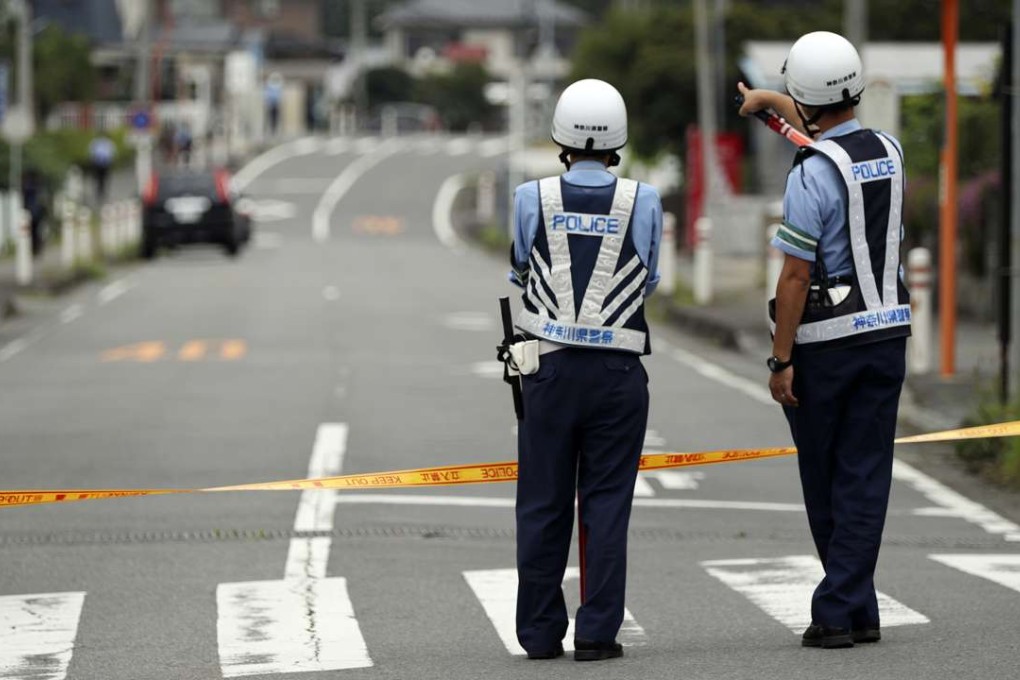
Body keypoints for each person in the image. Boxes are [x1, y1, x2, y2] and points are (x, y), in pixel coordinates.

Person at [738, 31, 911, 649]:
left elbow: (795, 274)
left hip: (826, 343)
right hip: (888, 335)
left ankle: (837, 608)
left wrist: (781, 358)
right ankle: (859, 607)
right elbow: (826, 130)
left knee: (826, 478)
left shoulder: (810, 173)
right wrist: (771, 103)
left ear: (803, 94)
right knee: (865, 474)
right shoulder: (887, 150)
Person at [506, 78, 663, 662]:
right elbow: (648, 279)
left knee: (543, 502)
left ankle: (540, 634)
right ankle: (597, 633)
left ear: (561, 136)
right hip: (619, 375)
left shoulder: (530, 197)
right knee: (606, 503)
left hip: (547, 370)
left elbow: (520, 271)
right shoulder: (643, 199)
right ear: (618, 138)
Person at [88, 134, 116, 205]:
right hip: (102, 163)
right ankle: (100, 192)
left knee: (101, 179)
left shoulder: (96, 142)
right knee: (101, 179)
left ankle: (100, 192)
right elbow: (112, 153)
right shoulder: (107, 143)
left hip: (100, 163)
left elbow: (92, 153)